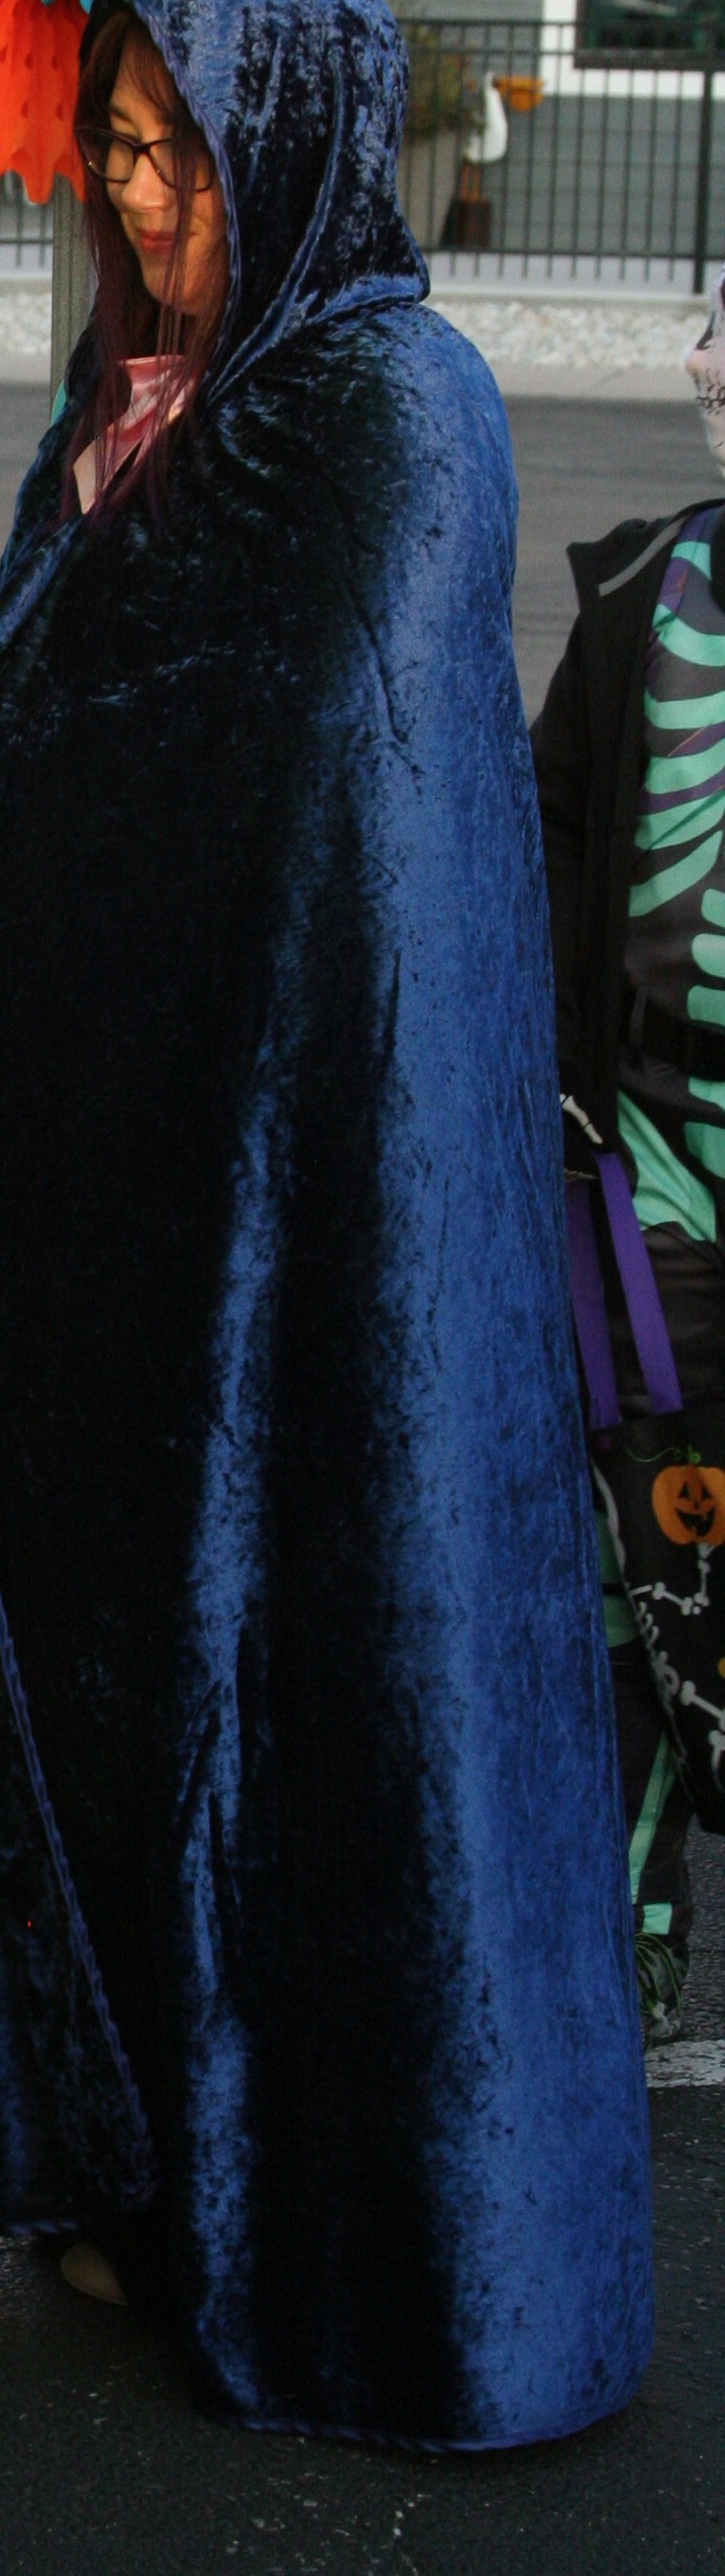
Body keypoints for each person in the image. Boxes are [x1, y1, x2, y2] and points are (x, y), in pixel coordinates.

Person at [0, 0, 652, 2447]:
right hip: (127, 1176)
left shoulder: (390, 402)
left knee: (318, 1657)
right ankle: (138, 2160)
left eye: (177, 145)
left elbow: (297, 794)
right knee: (122, 1654)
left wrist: (5, 829)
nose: (138, 191)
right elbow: (50, 714)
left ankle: (385, 2236)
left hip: (324, 1186)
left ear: (297, 138)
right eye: (118, 143)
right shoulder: (135, 399)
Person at [528, 272, 725, 2045]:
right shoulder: (631, 595)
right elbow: (548, 840)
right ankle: (630, 1911)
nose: (697, 360)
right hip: (651, 1179)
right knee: (650, 1543)